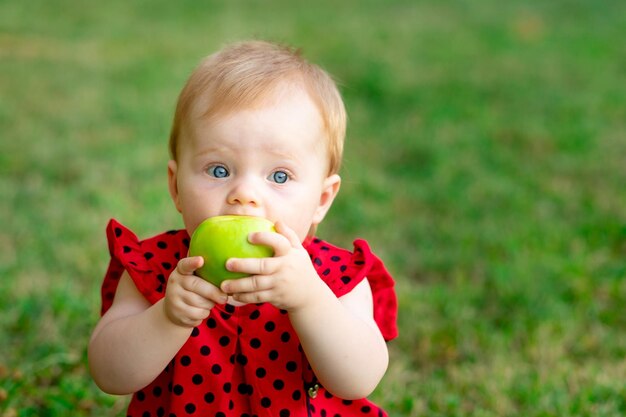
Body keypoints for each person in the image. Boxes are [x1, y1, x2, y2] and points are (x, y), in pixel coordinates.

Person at [89, 40, 398, 417]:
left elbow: (358, 380)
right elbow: (110, 374)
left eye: (279, 175)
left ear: (322, 199)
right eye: (219, 170)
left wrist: (310, 300)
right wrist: (167, 317)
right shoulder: (155, 270)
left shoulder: (334, 278)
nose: (245, 195)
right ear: (176, 187)